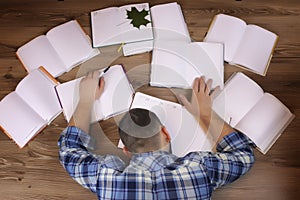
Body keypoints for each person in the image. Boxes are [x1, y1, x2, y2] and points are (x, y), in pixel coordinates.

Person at [58, 70, 255, 199]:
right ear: (166, 133)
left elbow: (68, 150)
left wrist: (85, 100)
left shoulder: (106, 177)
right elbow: (243, 155)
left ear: (126, 150)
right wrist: (205, 113)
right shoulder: (200, 169)